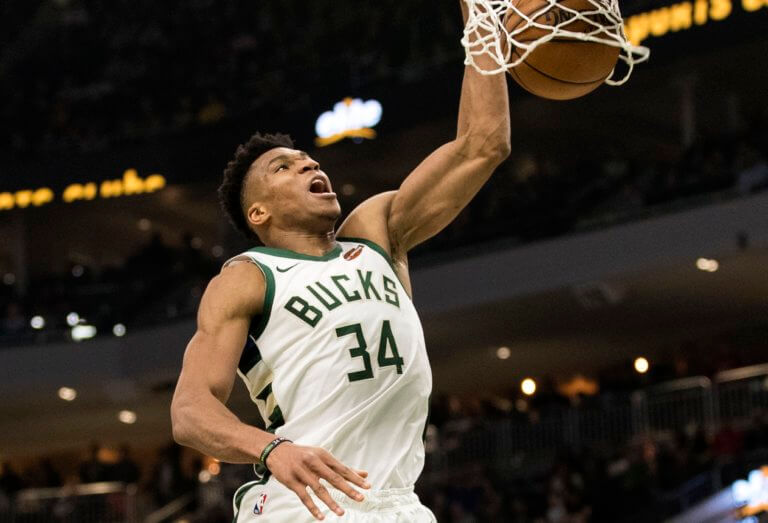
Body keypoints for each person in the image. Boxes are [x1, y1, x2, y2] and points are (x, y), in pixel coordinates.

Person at [170, 2, 510, 521]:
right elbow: (190, 411)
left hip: (398, 503)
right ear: (258, 212)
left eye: (308, 159)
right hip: (304, 503)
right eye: (284, 167)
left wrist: (482, 17)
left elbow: (483, 144)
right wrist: (271, 449)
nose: (309, 162)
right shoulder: (248, 277)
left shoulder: (376, 234)